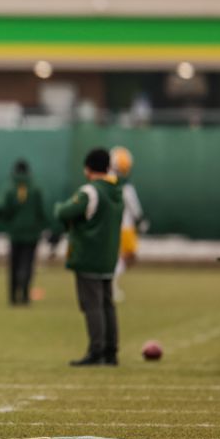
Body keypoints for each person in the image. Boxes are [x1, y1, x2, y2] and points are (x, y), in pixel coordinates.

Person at [54, 147, 124, 366]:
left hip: (88, 255)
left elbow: (64, 212)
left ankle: (96, 351)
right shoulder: (117, 191)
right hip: (109, 256)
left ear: (88, 168)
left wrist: (59, 208)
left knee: (92, 305)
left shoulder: (90, 191)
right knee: (107, 304)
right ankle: (111, 351)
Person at [0, 158, 48, 306]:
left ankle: (12, 297)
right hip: (32, 234)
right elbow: (42, 211)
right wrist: (42, 226)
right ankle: (24, 296)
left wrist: (8, 220)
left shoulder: (9, 187)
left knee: (14, 264)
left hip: (15, 232)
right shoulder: (36, 187)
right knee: (28, 264)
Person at [109, 146, 148, 302]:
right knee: (129, 256)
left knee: (118, 257)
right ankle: (110, 283)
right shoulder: (125, 186)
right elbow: (134, 207)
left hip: (112, 225)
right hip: (124, 226)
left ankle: (111, 283)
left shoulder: (107, 182)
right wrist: (140, 220)